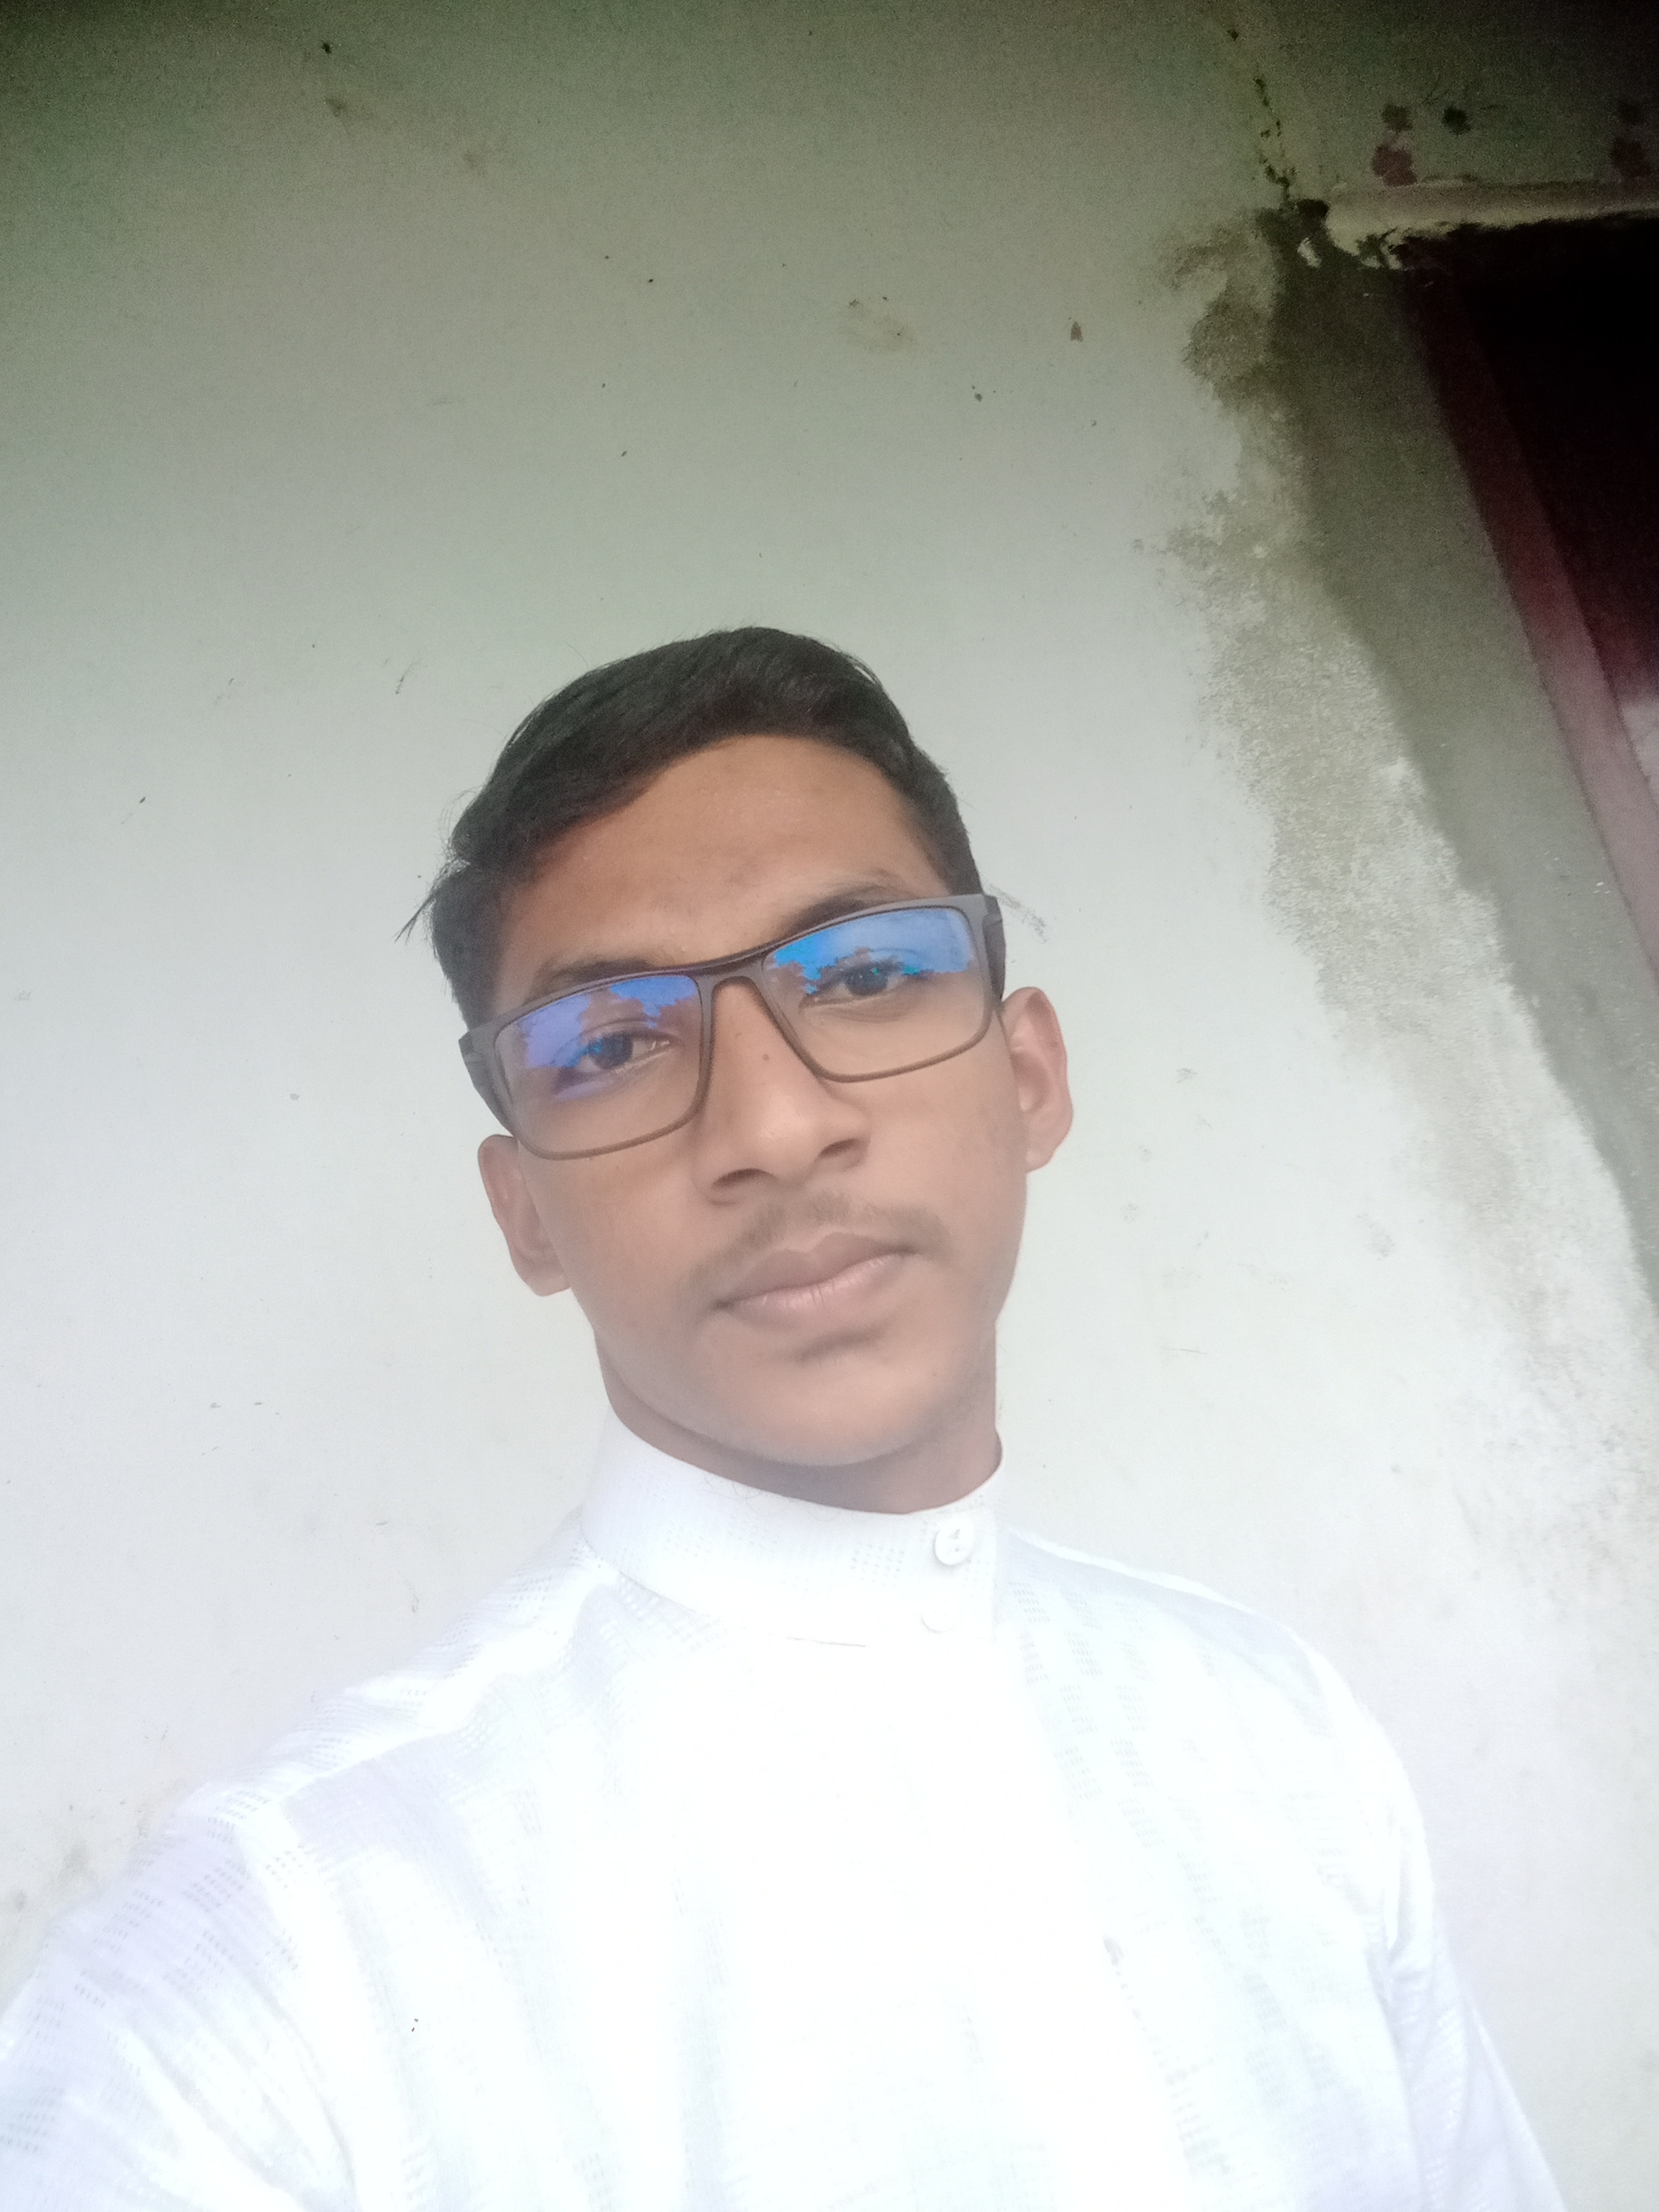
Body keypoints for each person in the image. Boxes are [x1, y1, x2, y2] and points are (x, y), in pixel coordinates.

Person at [0, 629, 1562, 2210]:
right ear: (526, 1215)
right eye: (611, 1045)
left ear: (1030, 1078)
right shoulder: (264, 1979)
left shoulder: (1276, 1732)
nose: (774, 1123)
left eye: (867, 973)